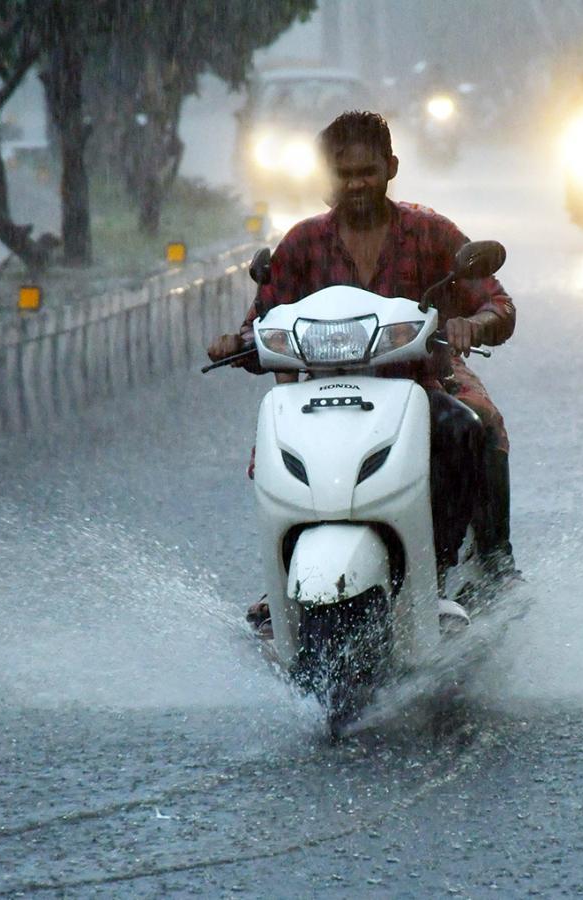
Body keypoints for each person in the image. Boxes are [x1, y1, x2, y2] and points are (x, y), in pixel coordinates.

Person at [207, 111, 518, 624]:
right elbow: (263, 319)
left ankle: (479, 562)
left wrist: (474, 326)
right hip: (321, 392)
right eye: (344, 174)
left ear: (391, 167)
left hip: (422, 379)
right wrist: (235, 343)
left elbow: (497, 304)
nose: (356, 184)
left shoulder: (430, 231)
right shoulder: (302, 243)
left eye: (367, 171)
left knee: (474, 424)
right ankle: (283, 581)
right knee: (273, 450)